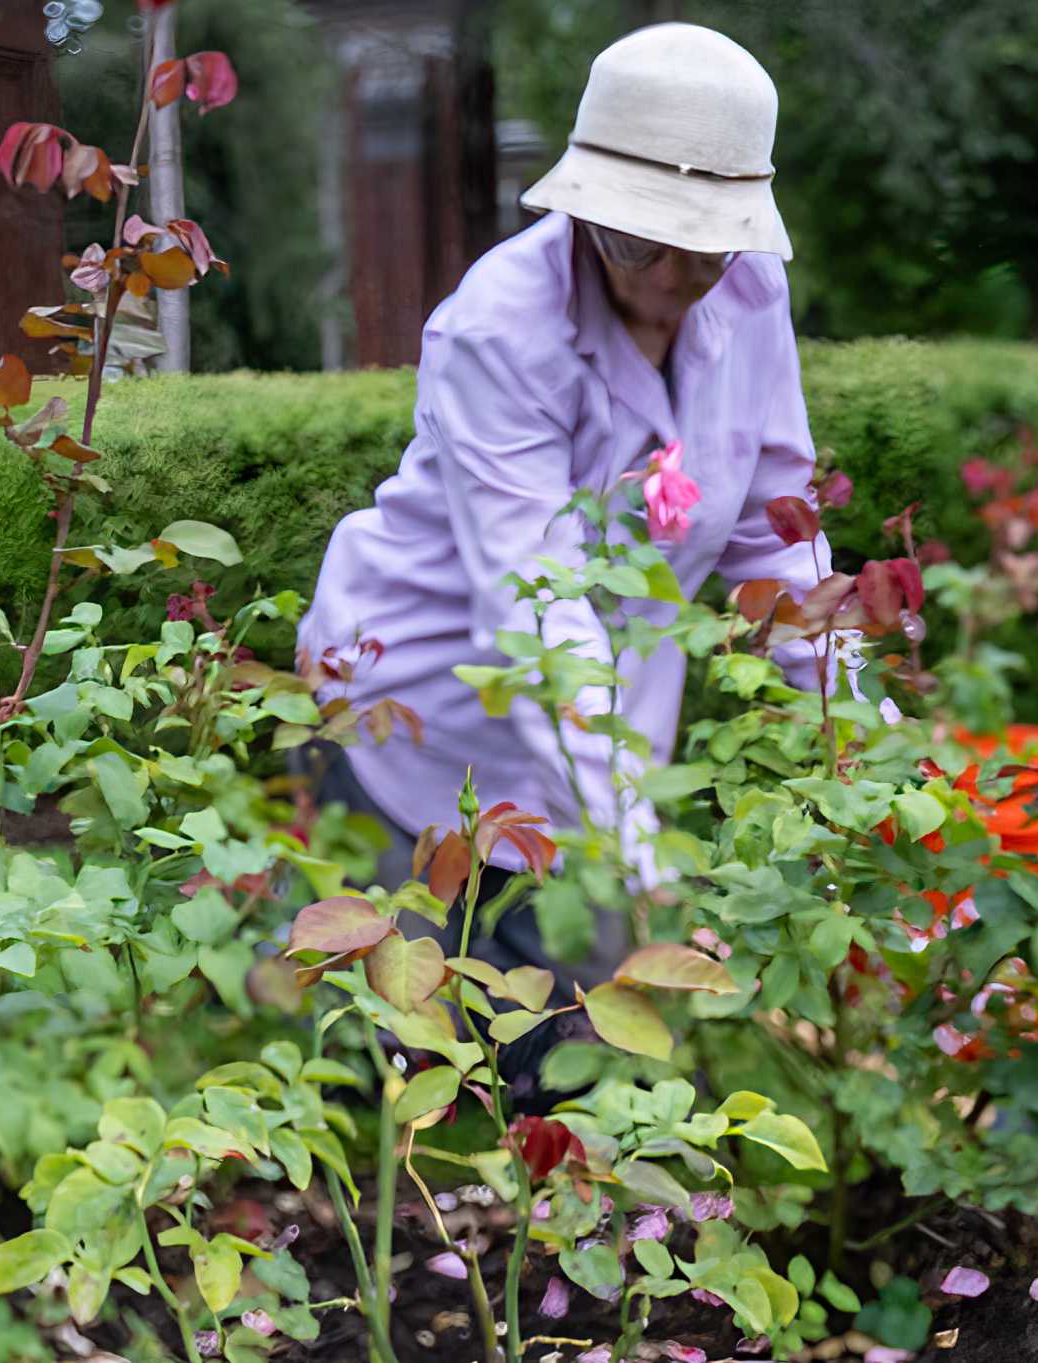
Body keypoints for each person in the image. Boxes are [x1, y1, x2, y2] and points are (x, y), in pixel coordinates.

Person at [297, 23, 831, 1036]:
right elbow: (540, 618)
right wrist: (642, 882)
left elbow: (777, 538)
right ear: (585, 213)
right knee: (432, 1086)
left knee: (585, 1062)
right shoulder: (502, 328)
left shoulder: (755, 295)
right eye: (639, 239)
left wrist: (858, 749)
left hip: (587, 741)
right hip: (409, 715)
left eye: (704, 245)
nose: (671, 274)